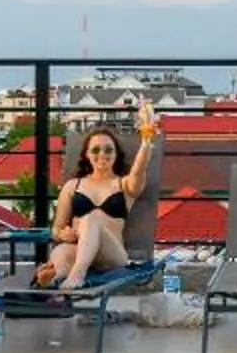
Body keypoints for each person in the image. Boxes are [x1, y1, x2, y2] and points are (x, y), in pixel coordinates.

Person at [39, 103, 159, 287]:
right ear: (86, 155)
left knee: (92, 218)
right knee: (61, 252)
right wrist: (63, 235)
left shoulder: (124, 185)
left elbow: (139, 169)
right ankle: (54, 284)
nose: (102, 154)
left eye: (108, 149)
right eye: (95, 150)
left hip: (111, 256)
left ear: (116, 154)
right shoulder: (73, 186)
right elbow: (56, 229)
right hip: (78, 249)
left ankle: (76, 276)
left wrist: (146, 139)